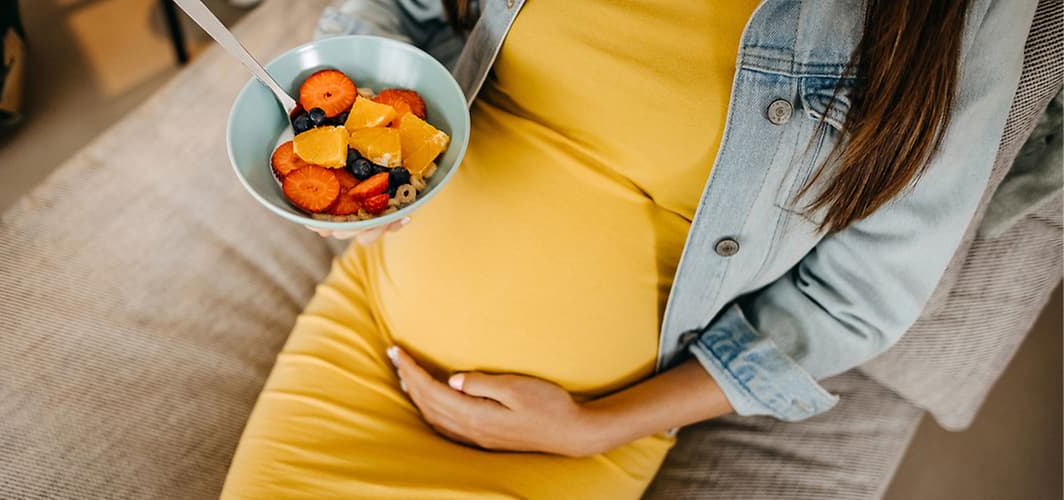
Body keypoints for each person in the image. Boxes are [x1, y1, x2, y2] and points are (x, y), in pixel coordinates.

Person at [221, 0, 1036, 497]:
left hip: (567, 444)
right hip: (365, 338)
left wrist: (594, 429)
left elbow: (863, 294)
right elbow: (399, 9)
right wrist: (355, 125)